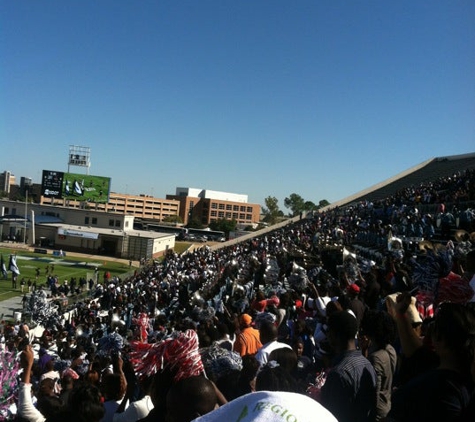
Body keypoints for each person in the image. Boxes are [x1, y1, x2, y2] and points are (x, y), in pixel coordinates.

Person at [386, 294, 475, 422]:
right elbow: (416, 351)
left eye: (434, 327)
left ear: (439, 339)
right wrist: (401, 313)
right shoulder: (447, 372)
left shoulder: (444, 391)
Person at [320, 310, 377, 422]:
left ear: (335, 335)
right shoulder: (367, 363)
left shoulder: (338, 374)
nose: (327, 335)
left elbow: (332, 417)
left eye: (328, 331)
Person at [358, 309, 398, 421]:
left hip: (377, 414)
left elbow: (373, 391)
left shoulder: (375, 357)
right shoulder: (391, 350)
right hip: (387, 404)